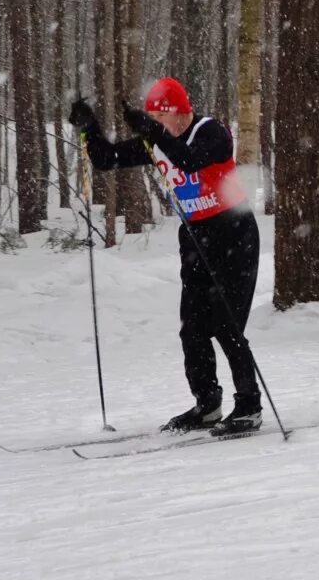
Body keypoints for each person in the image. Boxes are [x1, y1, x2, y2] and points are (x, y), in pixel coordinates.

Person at [67, 78, 263, 435]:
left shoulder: (212, 131)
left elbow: (190, 161)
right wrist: (88, 127)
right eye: (154, 119)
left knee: (227, 325)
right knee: (193, 327)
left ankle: (249, 406)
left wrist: (152, 133)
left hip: (234, 234)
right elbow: (105, 159)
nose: (158, 125)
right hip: (195, 236)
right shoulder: (158, 139)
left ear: (182, 113)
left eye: (163, 118)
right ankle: (207, 404)